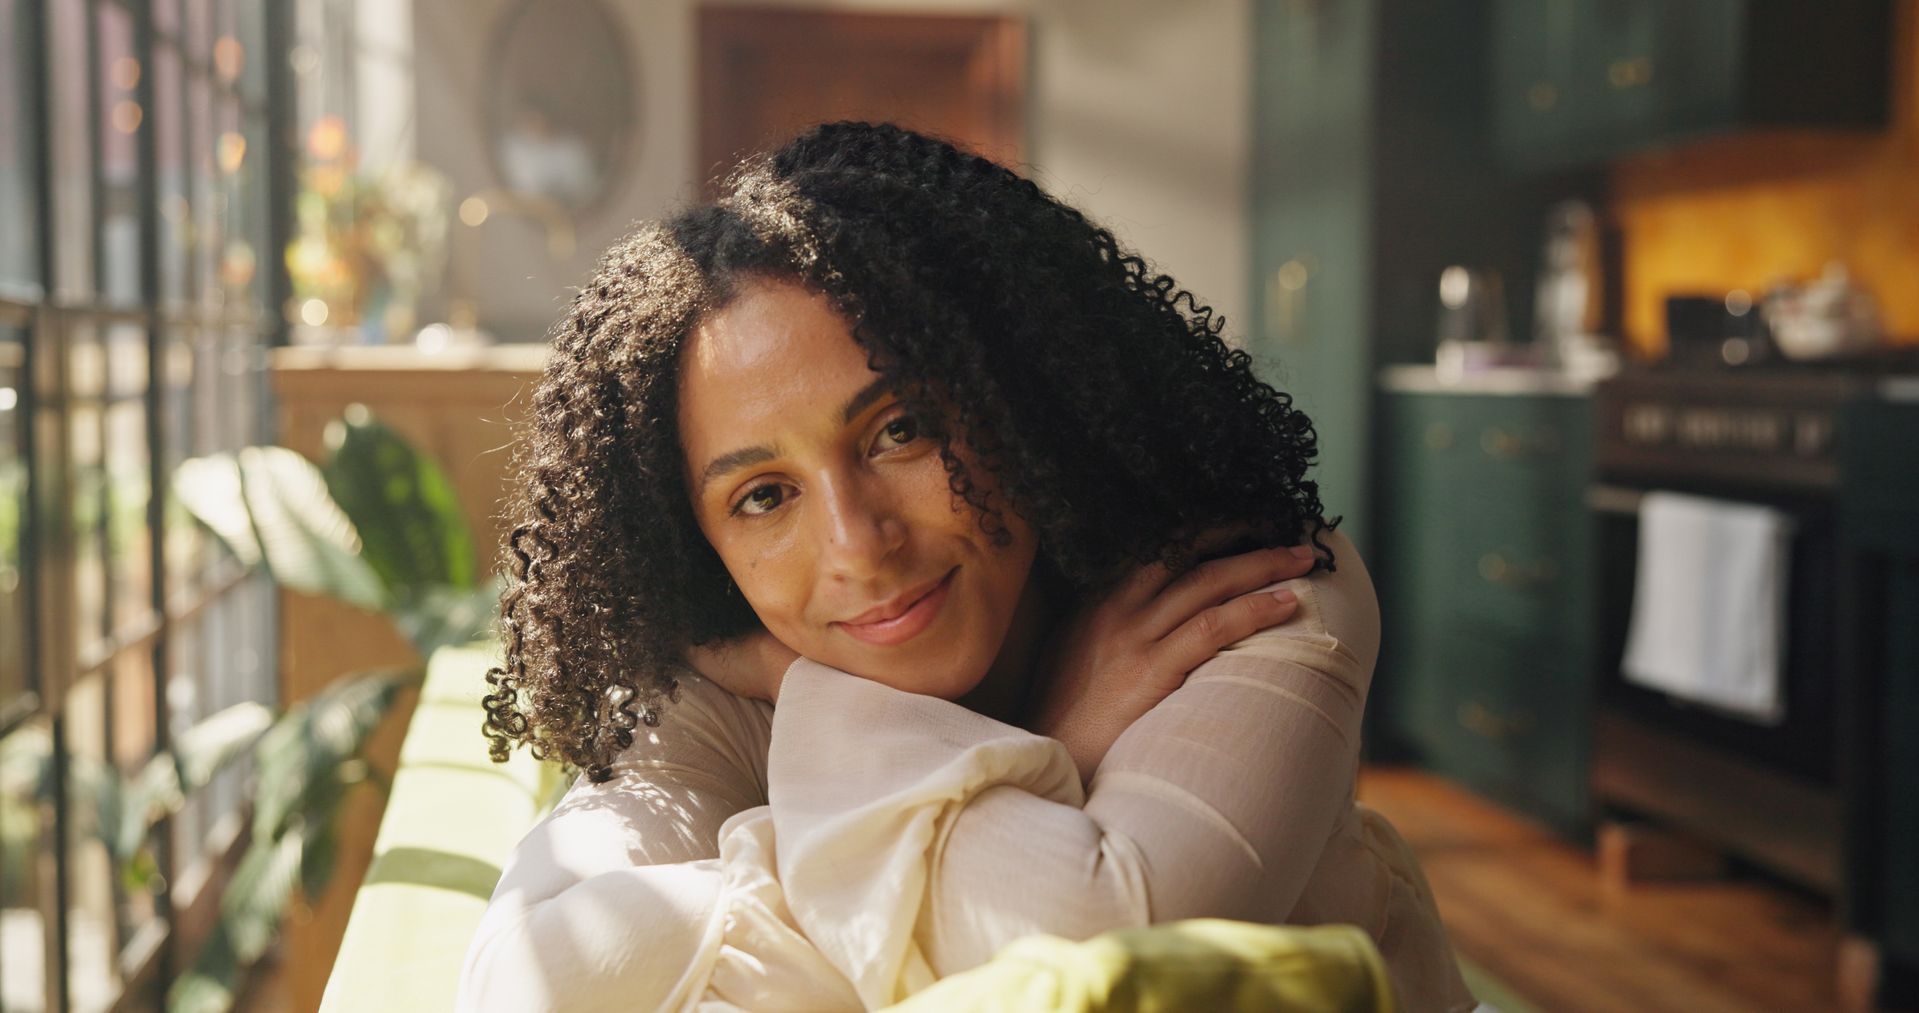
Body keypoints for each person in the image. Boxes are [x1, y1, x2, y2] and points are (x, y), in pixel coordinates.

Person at [459, 121, 1474, 1012]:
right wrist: (1047, 752)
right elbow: (520, 979)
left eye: (901, 429)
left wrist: (800, 824)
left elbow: (1101, 947)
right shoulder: (730, 659)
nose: (859, 544)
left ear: (1013, 392)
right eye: (762, 496)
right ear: (703, 539)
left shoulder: (1244, 582)